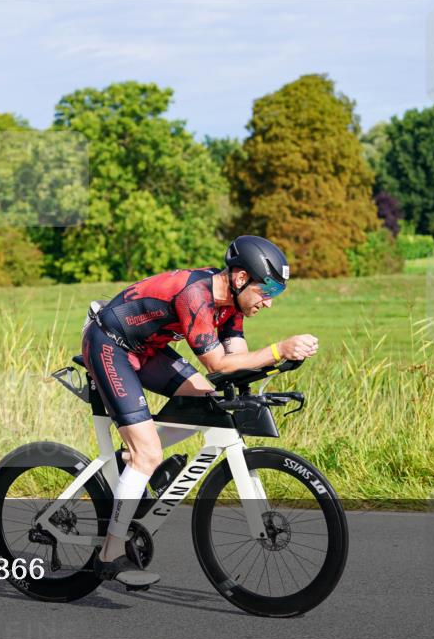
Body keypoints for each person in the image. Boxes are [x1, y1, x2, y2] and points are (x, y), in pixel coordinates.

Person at [81, 235, 319, 587]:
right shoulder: (197, 295)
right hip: (110, 346)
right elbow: (218, 362)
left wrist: (274, 369)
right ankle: (110, 554)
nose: (269, 302)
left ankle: (131, 463)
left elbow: (238, 362)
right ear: (240, 279)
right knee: (147, 453)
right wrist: (279, 348)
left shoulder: (233, 305)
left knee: (207, 403)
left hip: (148, 349)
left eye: (276, 293)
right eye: (267, 290)